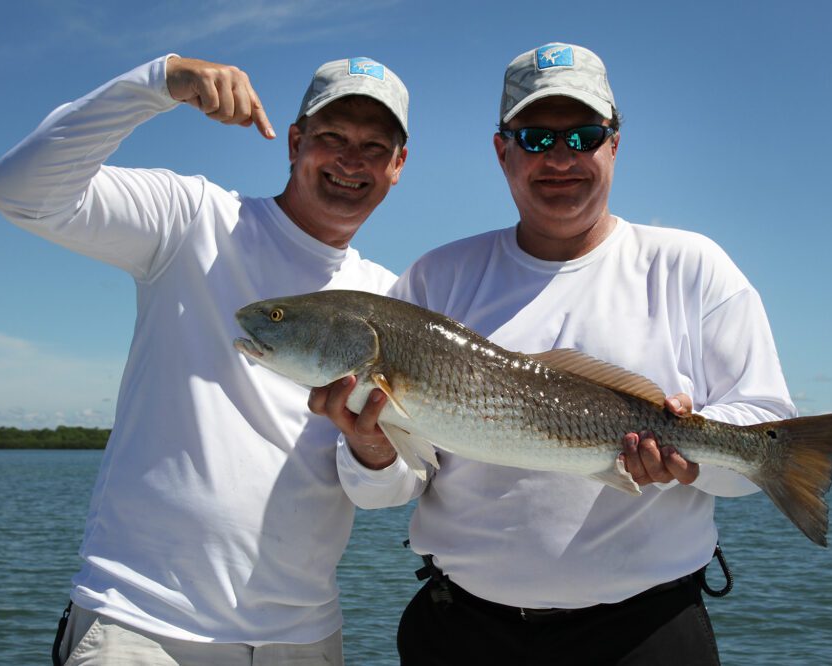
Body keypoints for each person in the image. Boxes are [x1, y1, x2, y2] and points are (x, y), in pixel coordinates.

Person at [312, 42, 796, 665]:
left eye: (584, 135)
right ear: (501, 150)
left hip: (646, 634)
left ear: (614, 144)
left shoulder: (689, 266)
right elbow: (389, 491)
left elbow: (763, 442)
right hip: (462, 632)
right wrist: (370, 448)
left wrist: (691, 452)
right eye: (537, 138)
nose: (561, 158)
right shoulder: (437, 279)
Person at [0, 52, 409, 665]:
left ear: (398, 165)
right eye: (331, 137)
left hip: (303, 637)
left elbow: (389, 492)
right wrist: (158, 82)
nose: (350, 160)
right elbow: (20, 192)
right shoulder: (193, 219)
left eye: (374, 146)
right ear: (294, 142)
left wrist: (374, 453)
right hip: (142, 625)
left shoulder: (392, 300)